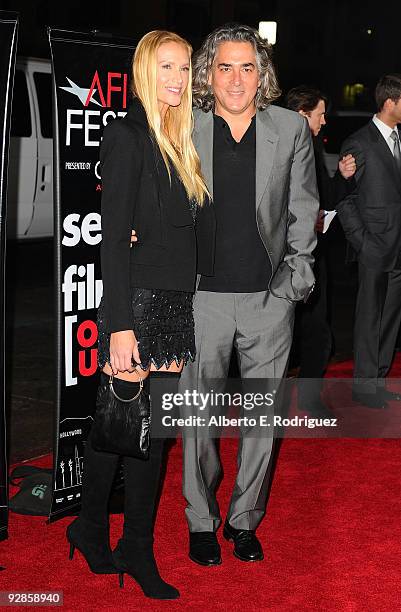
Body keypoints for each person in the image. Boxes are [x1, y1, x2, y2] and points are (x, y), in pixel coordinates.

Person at [66, 30, 212, 600]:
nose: (177, 78)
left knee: (138, 431)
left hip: (175, 304)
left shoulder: (178, 140)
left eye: (184, 68)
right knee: (133, 433)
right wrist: (120, 324)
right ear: (145, 70)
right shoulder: (126, 136)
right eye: (167, 67)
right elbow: (110, 241)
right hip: (139, 305)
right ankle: (122, 543)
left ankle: (96, 529)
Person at [178, 24, 319, 567]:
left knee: (262, 419)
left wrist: (293, 282)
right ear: (207, 75)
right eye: (225, 67)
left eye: (247, 67)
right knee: (198, 419)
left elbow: (303, 209)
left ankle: (243, 520)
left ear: (262, 75)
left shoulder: (289, 128)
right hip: (201, 299)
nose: (236, 79)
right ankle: (200, 519)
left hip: (268, 299)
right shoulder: (185, 126)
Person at [285, 86, 356, 417]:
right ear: (302, 114)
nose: (325, 121)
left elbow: (326, 200)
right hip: (285, 256)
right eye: (320, 114)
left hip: (314, 254)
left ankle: (310, 399)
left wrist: (342, 179)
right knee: (294, 332)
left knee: (317, 331)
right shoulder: (280, 147)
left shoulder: (312, 146)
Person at [336, 74, 401, 409]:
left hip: (398, 247)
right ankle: (363, 386)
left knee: (390, 318)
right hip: (374, 246)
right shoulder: (359, 142)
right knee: (369, 317)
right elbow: (346, 198)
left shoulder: (399, 139)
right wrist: (363, 243)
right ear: (390, 102)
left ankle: (378, 378)